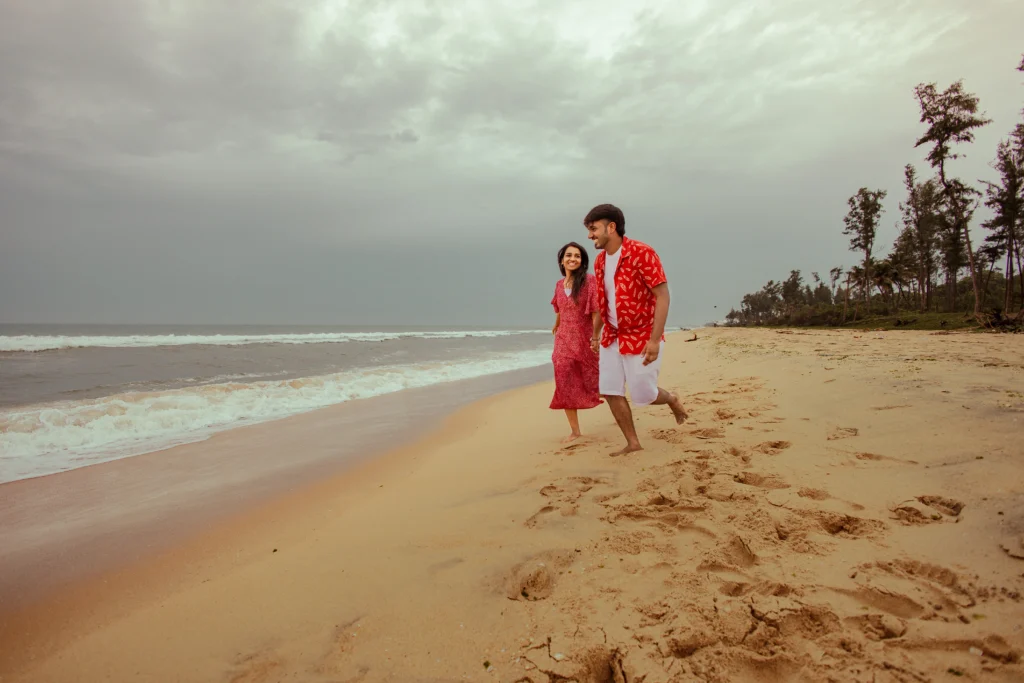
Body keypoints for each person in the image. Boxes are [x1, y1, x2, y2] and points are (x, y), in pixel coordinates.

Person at [584, 203, 688, 455]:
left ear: (612, 227)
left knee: (644, 394)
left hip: (642, 334)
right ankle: (633, 442)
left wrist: (654, 341)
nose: (590, 235)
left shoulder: (641, 252)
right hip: (612, 335)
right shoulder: (599, 261)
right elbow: (603, 301)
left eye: (594, 229)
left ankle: (671, 398)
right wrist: (596, 334)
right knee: (610, 391)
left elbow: (662, 295)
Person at [550, 241, 602, 443]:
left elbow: (597, 312)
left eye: (577, 256)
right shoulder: (558, 285)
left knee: (594, 379)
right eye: (569, 255)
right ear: (562, 260)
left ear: (582, 261)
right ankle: (575, 431)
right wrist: (556, 324)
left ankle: (618, 405)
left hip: (585, 338)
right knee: (563, 378)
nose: (573, 259)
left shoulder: (589, 281)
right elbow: (560, 309)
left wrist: (596, 337)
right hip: (563, 339)